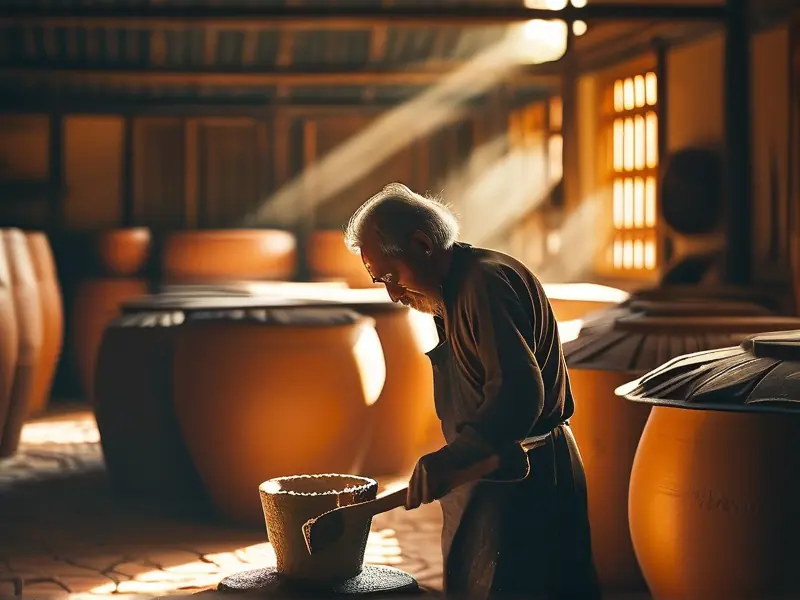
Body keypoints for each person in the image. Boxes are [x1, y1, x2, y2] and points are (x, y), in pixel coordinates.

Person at [344, 183, 601, 600]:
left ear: (423, 244)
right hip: (484, 472)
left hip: (525, 472)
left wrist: (454, 456)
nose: (392, 293)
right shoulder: (447, 290)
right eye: (379, 281)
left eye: (390, 276)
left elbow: (518, 394)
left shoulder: (486, 282)